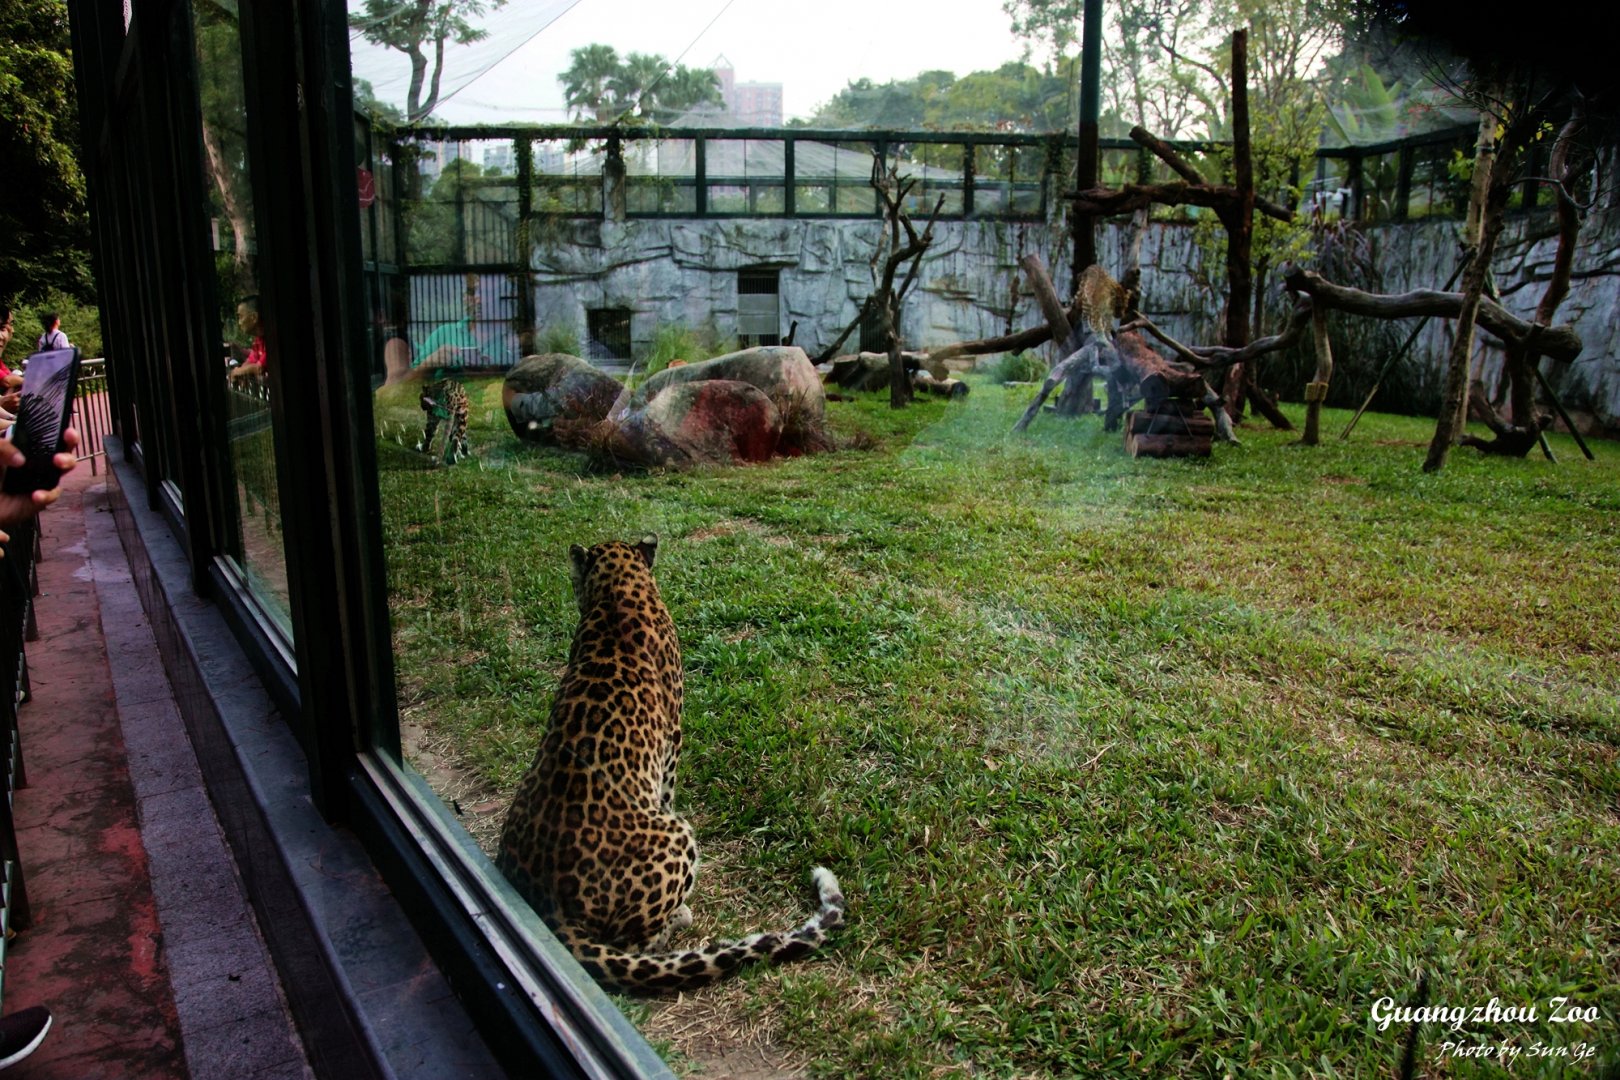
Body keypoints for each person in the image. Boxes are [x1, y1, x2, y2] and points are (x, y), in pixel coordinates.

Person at [415, 276, 490, 370]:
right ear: (464, 297)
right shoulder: (444, 333)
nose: (478, 300)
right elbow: (408, 382)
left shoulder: (508, 336)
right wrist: (427, 364)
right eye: (472, 292)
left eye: (486, 293)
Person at [227, 295, 268, 384]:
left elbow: (258, 368)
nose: (239, 323)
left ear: (254, 317)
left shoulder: (271, 341)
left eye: (241, 317)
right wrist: (242, 371)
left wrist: (236, 372)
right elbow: (250, 361)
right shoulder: (258, 340)